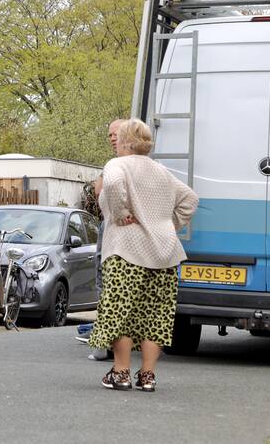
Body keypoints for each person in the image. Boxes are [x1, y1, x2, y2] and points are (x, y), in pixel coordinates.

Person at [88, 119, 198, 392]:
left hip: (126, 250)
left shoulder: (117, 165)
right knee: (156, 315)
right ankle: (147, 376)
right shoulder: (162, 171)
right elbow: (191, 199)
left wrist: (120, 213)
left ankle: (121, 373)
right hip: (164, 254)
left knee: (121, 313)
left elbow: (111, 185)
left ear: (125, 141)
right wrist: (169, 225)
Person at [75, 118, 124, 362]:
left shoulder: (117, 164)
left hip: (115, 226)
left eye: (116, 133)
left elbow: (100, 191)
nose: (112, 138)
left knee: (106, 281)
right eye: (109, 135)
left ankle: (104, 344)